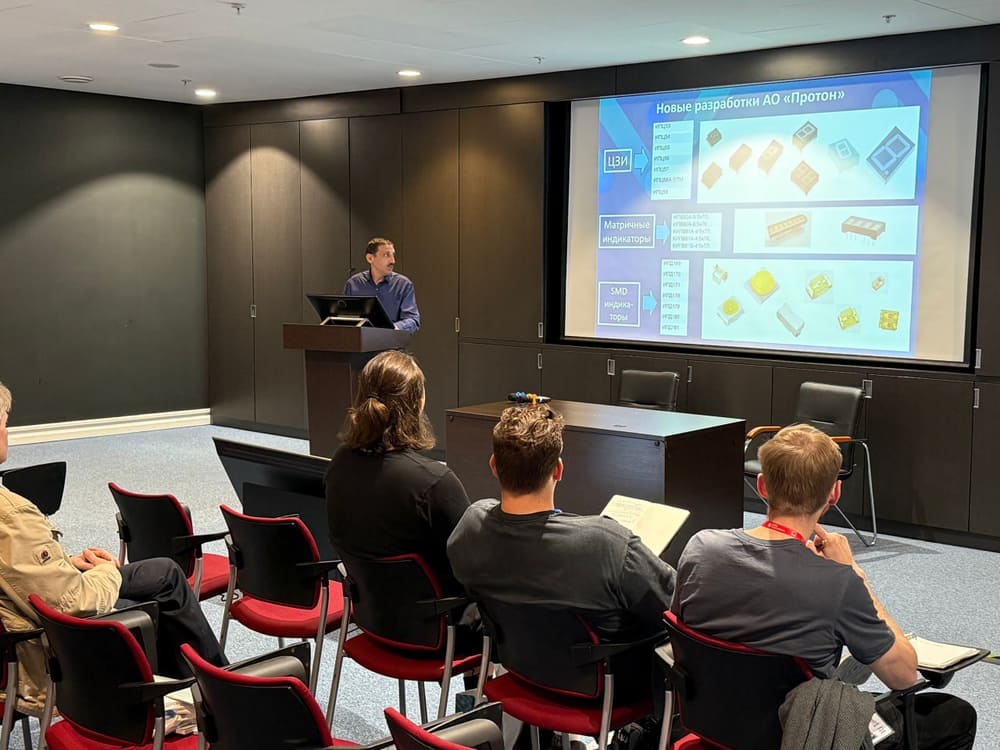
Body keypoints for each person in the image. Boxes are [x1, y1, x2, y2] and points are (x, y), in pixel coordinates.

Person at [672, 423, 976, 749]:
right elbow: (903, 675)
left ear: (762, 485)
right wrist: (854, 573)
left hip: (711, 721)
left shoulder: (701, 548)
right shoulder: (838, 583)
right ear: (834, 493)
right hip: (799, 735)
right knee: (955, 715)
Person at [0, 381, 226, 716]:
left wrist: (65, 563)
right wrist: (106, 570)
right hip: (44, 651)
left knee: (163, 574)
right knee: (160, 594)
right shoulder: (10, 515)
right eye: (5, 423)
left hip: (21, 623)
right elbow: (73, 603)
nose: (8, 432)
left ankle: (198, 694)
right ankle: (221, 696)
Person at [447, 404, 676, 702]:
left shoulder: (470, 527)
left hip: (518, 673)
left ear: (493, 465)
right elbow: (676, 604)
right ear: (558, 470)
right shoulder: (607, 544)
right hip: (606, 691)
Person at [325, 350, 468, 595]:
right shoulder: (434, 482)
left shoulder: (340, 462)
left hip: (368, 609)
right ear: (418, 404)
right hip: (436, 615)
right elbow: (472, 559)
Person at [342, 237, 420, 332]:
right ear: (370, 258)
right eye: (387, 255)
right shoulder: (353, 284)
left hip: (391, 340)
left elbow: (413, 320)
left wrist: (392, 328)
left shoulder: (403, 285)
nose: (393, 261)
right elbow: (343, 318)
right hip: (360, 339)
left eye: (393, 255)